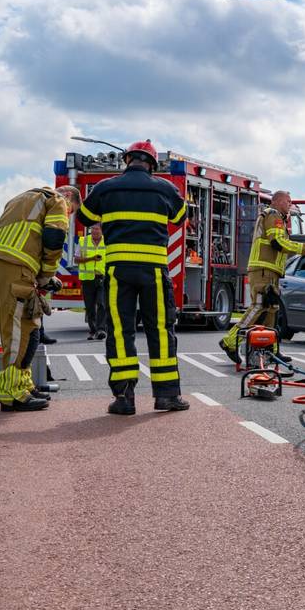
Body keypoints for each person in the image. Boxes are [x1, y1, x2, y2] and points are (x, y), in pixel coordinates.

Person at [79, 139, 190, 415]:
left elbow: (83, 217)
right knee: (161, 331)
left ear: (127, 160)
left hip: (118, 271)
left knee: (119, 331)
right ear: (152, 164)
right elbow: (181, 217)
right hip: (153, 270)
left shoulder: (106, 187)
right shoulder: (164, 188)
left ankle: (124, 398)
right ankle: (166, 395)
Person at [0, 185, 80, 412]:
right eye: (71, 211)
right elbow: (54, 237)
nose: (68, 214)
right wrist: (47, 275)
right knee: (22, 330)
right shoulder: (58, 200)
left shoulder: (21, 198)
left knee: (21, 326)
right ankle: (12, 393)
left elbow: (27, 236)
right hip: (18, 263)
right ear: (69, 198)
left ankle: (24, 384)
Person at [219, 190, 305, 364]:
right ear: (275, 202)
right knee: (259, 306)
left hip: (271, 272)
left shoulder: (279, 220)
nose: (290, 204)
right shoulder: (273, 215)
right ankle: (230, 342)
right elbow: (278, 243)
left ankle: (271, 350)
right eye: (287, 201)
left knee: (272, 310)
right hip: (263, 270)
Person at [76, 224, 107, 340]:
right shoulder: (83, 241)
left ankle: (101, 330)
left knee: (102, 303)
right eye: (92, 229)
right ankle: (93, 330)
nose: (94, 231)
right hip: (87, 279)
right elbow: (76, 259)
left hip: (102, 278)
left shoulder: (107, 242)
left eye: (97, 229)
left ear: (102, 231)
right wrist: (91, 258)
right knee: (89, 307)